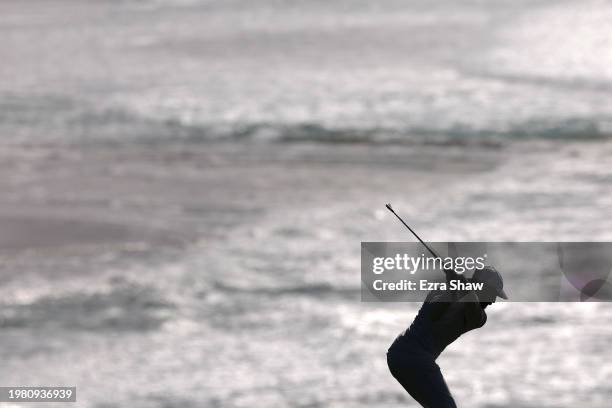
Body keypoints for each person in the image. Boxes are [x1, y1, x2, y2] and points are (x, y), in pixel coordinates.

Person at [387, 265, 507, 408]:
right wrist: (452, 288)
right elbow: (432, 314)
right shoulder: (444, 290)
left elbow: (471, 307)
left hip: (401, 357)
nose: (493, 301)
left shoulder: (480, 317)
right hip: (413, 357)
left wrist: (462, 289)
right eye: (492, 294)